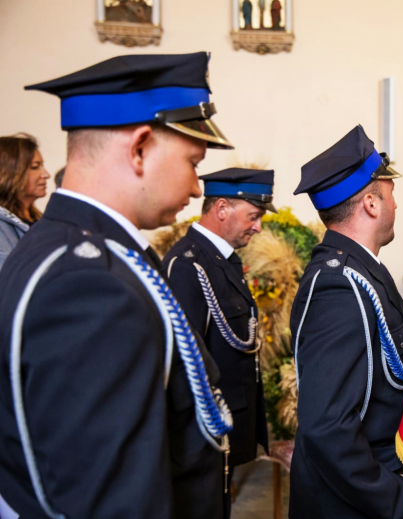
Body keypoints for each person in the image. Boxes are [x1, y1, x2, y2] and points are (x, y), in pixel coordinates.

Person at [0, 52, 235, 518]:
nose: (195, 189)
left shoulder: (67, 246)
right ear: (140, 147)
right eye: (193, 162)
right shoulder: (90, 285)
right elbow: (114, 502)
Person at [289, 125, 403, 519]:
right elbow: (326, 427)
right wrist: (395, 498)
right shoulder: (337, 286)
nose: (396, 205)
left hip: (381, 461)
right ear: (370, 203)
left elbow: (392, 336)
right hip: (354, 492)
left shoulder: (363, 268)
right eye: (391, 194)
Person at [163, 168, 273, 518]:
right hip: (204, 430)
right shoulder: (187, 265)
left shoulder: (220, 261)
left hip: (227, 421)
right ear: (222, 208)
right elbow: (185, 361)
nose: (258, 227)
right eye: (253, 216)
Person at [0, 134, 50, 269]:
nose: (46, 174)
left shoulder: (42, 221)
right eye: (35, 167)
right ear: (9, 172)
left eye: (42, 166)